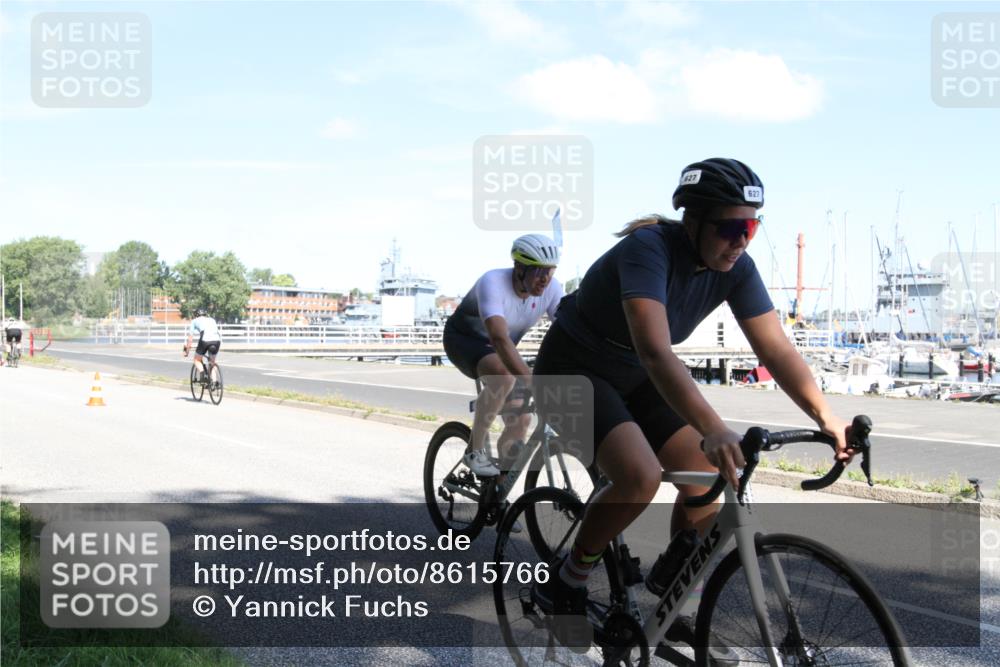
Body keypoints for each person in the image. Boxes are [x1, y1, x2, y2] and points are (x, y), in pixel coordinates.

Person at [530, 158, 854, 637]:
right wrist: (712, 427)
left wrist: (827, 416)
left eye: (752, 226)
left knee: (710, 476)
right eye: (730, 228)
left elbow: (775, 348)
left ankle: (672, 597)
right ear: (693, 221)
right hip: (571, 371)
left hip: (635, 374)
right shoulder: (649, 250)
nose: (742, 240)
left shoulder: (736, 268)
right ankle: (566, 581)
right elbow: (658, 352)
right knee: (639, 477)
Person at [443, 233, 564, 477]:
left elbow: (567, 332)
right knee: (505, 376)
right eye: (539, 271)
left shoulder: (552, 289)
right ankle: (474, 451)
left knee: (521, 420)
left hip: (501, 350)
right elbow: (498, 337)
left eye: (550, 271)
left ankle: (498, 488)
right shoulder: (493, 282)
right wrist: (531, 380)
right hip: (465, 341)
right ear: (519, 267)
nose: (545, 279)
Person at [183, 308, 222, 382]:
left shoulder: (194, 321)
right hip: (217, 340)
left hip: (205, 340)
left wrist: (187, 351)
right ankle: (214, 382)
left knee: (196, 360)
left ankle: (202, 374)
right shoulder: (212, 320)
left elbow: (190, 339)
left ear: (196, 315)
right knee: (212, 362)